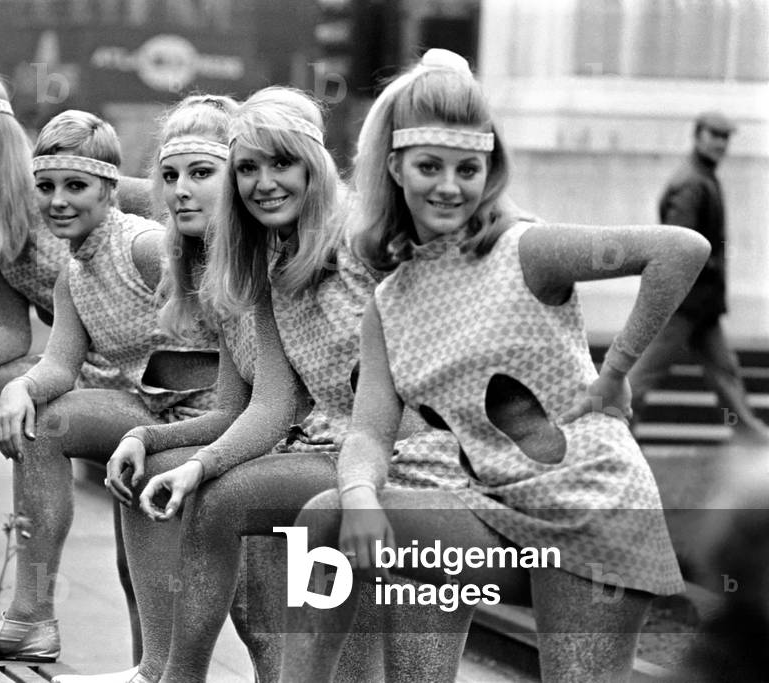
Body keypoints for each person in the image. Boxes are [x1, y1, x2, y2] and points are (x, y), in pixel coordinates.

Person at [278, 49, 709, 683]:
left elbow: (680, 249)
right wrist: (362, 494)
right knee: (324, 515)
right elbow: (370, 431)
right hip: (491, 513)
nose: (449, 186)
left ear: (490, 169)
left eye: (468, 168)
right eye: (430, 166)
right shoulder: (389, 302)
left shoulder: (525, 248)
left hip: (591, 509)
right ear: (396, 166)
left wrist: (615, 372)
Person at [136, 86, 464, 683]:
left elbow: (478, 246)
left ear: (313, 164)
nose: (263, 182)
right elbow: (272, 405)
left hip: (426, 454)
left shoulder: (369, 237)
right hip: (341, 454)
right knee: (219, 497)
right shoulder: (265, 265)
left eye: (281, 162)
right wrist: (197, 464)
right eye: (247, 169)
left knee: (416, 669)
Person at [0, 109, 218, 662]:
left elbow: (227, 325)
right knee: (45, 420)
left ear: (110, 189)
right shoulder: (72, 273)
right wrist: (21, 387)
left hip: (194, 415)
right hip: (136, 409)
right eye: (45, 187)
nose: (58, 201)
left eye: (76, 185)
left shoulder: (143, 248)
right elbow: (61, 364)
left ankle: (155, 668)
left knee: (140, 551)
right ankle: (31, 619)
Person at [51, 94, 299, 683]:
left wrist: (201, 464)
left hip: (309, 447)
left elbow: (274, 411)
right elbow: (234, 408)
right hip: (258, 436)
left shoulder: (272, 265)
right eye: (170, 176)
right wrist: (140, 432)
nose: (180, 189)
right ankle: (157, 671)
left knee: (269, 613)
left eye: (202, 173)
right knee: (151, 462)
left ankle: (168, 674)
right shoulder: (219, 271)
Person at [0, 69, 151, 623]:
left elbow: (185, 216)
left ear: (4, 132)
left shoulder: (64, 182)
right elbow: (15, 333)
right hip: (74, 364)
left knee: (135, 564)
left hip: (143, 372)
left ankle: (33, 609)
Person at [627, 110, 769, 444]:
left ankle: (751, 439)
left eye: (725, 137)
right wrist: (710, 270)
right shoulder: (692, 183)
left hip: (699, 305)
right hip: (683, 303)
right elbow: (681, 245)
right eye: (715, 136)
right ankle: (609, 429)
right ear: (699, 135)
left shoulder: (703, 176)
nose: (721, 144)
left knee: (725, 373)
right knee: (643, 376)